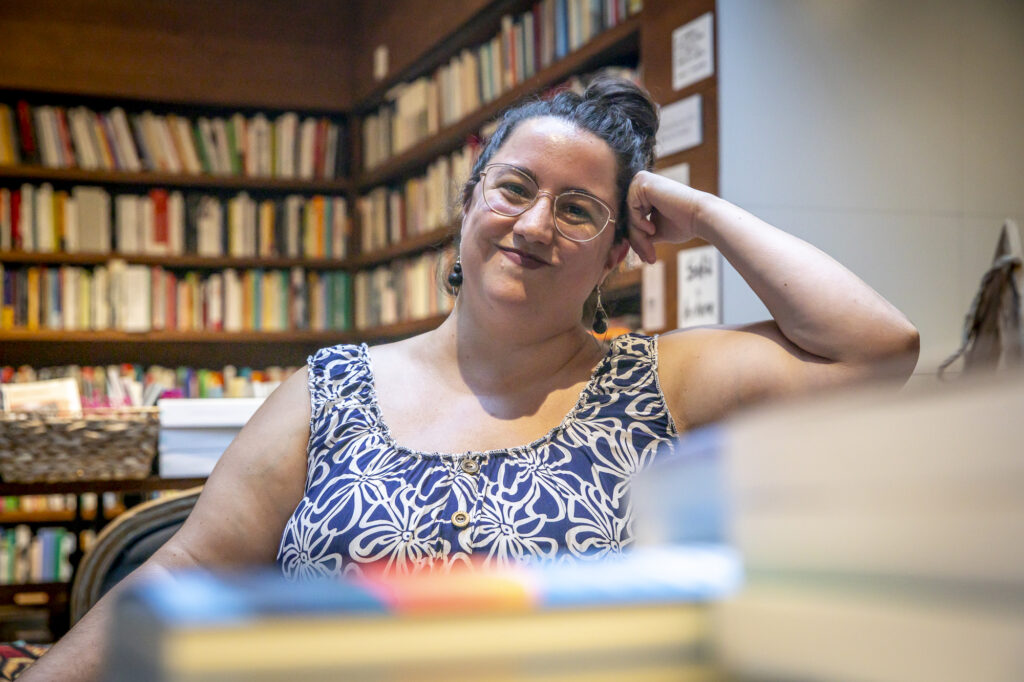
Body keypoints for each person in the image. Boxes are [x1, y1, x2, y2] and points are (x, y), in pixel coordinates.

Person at [21, 77, 918, 680]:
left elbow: (878, 350)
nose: (533, 225)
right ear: (469, 202)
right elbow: (185, 566)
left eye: (578, 210)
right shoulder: (331, 392)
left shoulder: (664, 382)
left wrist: (702, 211)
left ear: (616, 252)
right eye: (514, 188)